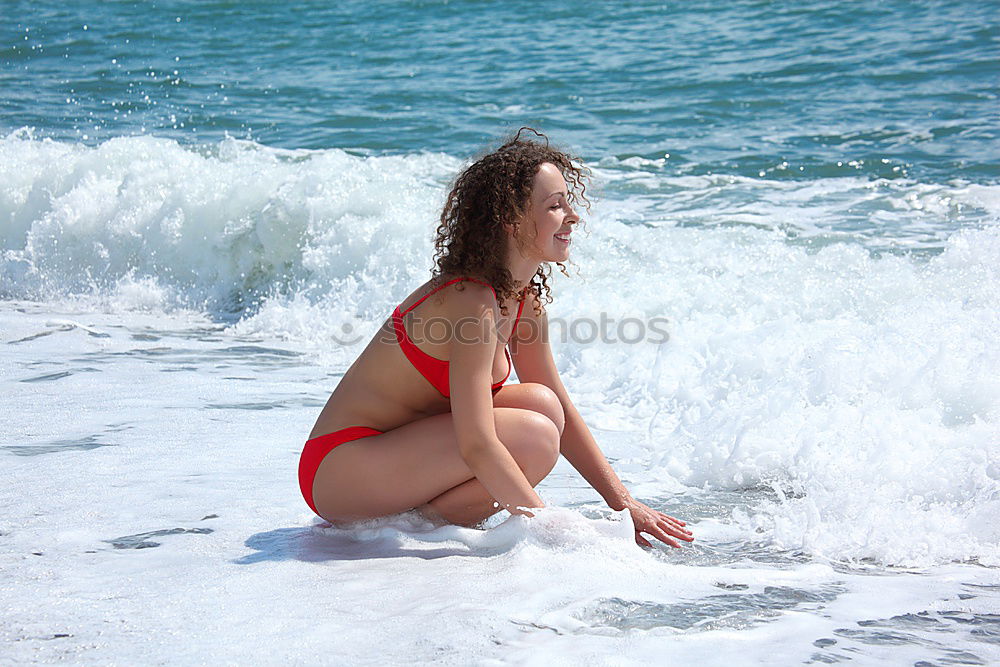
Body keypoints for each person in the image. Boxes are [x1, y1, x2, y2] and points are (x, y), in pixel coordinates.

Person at [299, 128, 693, 549]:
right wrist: (554, 534)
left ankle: (421, 519)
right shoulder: (471, 300)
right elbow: (476, 443)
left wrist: (624, 504)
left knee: (544, 406)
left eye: (568, 203)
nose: (573, 216)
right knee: (534, 436)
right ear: (511, 220)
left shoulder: (522, 300)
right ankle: (417, 524)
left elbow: (562, 408)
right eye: (555, 206)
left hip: (401, 455)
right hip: (341, 470)